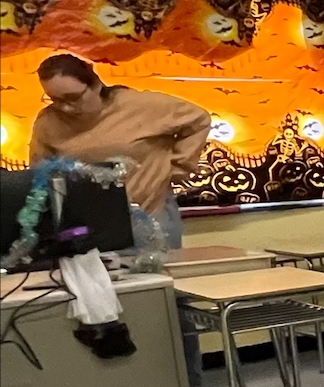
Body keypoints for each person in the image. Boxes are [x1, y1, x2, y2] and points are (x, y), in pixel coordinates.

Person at [28, 53, 211, 264]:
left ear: (96, 85)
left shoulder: (141, 105)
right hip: (90, 226)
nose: (66, 107)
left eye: (73, 98)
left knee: (160, 287)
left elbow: (199, 119)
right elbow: (39, 170)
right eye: (55, 100)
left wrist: (181, 165)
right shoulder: (48, 122)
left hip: (151, 214)